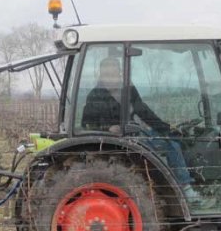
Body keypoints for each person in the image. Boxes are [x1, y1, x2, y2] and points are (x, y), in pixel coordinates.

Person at [81, 56, 209, 209]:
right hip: (114, 142)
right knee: (171, 146)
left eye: (113, 74)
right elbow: (86, 123)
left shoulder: (128, 90)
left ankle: (185, 183)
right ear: (100, 75)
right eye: (106, 75)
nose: (110, 79)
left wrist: (166, 129)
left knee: (171, 139)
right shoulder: (94, 96)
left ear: (120, 73)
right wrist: (107, 128)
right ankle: (187, 191)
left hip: (132, 135)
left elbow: (144, 112)